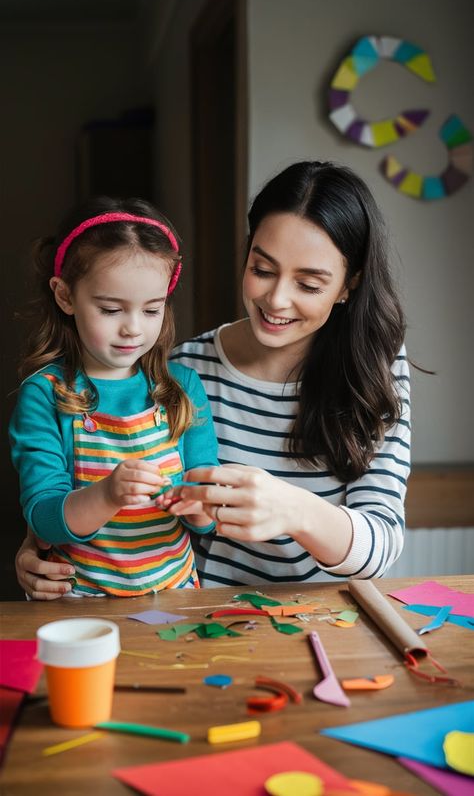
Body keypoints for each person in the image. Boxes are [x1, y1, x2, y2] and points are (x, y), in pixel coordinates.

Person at [15, 161, 410, 597]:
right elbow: (72, 510)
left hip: (318, 615)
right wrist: (39, 547)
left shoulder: (374, 370)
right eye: (262, 269)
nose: (277, 298)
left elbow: (382, 543)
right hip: (195, 618)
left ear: (348, 286)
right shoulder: (185, 371)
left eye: (309, 284)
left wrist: (295, 511)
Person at [9, 197, 219, 597]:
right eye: (110, 310)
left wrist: (199, 503)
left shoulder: (184, 387)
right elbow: (43, 518)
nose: (133, 329)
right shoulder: (45, 395)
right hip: (81, 602)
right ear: (66, 296)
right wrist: (107, 494)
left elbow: (206, 512)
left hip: (176, 594)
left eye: (152, 309)